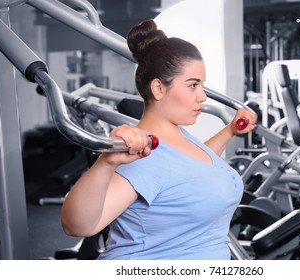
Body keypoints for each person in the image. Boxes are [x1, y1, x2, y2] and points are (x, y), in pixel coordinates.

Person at [60, 19, 257, 260]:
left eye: (202, 85)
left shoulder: (177, 137)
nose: (203, 96)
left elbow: (191, 170)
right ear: (158, 89)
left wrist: (229, 131)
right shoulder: (143, 157)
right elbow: (77, 226)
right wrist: (106, 162)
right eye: (193, 85)